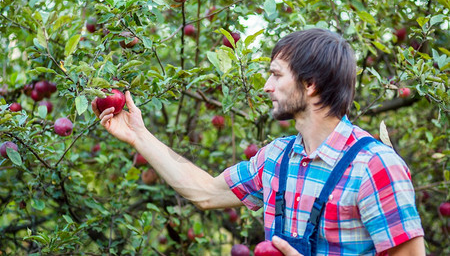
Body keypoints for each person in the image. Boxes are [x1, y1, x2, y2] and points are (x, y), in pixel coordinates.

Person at [92, 28, 425, 255]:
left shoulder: (374, 167)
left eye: (276, 74)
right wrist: (139, 134)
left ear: (309, 84)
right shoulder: (277, 158)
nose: (266, 86)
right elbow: (207, 193)